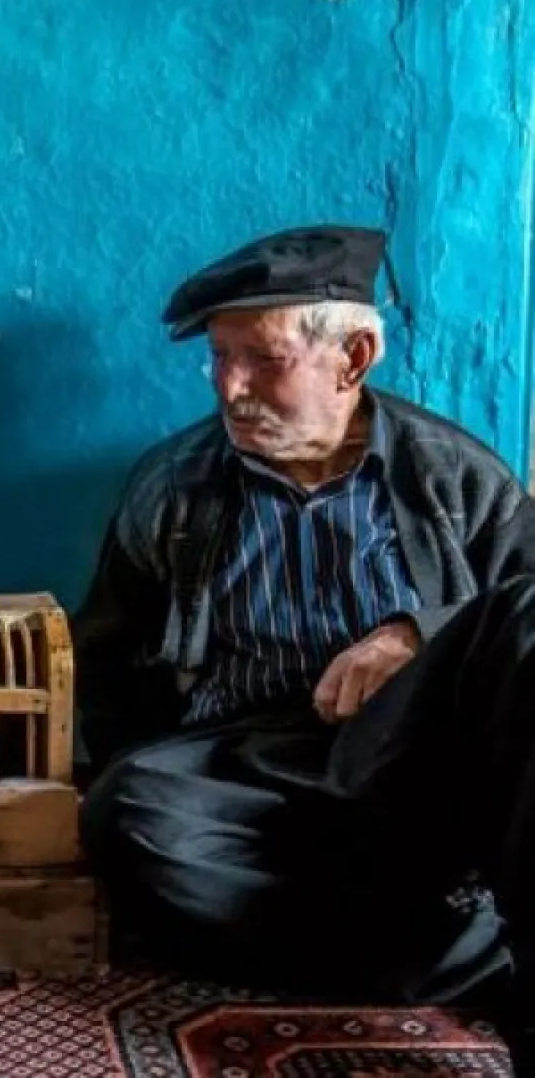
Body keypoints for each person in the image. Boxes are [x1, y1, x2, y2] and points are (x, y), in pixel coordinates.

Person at [74, 226, 535, 1053]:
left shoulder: (453, 477)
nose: (230, 387)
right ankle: (447, 954)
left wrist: (418, 634)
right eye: (218, 358)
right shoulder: (175, 486)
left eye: (262, 359)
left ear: (353, 358)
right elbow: (106, 664)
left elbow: (518, 618)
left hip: (411, 762)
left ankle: (420, 940)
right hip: (248, 763)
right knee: (129, 812)